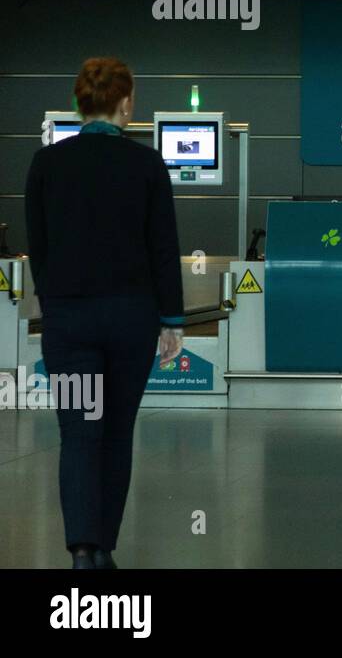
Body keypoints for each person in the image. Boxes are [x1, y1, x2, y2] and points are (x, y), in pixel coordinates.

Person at [25, 57, 184, 569]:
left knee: (79, 433)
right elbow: (163, 248)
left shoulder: (47, 164)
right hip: (130, 321)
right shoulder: (147, 165)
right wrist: (172, 321)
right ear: (126, 104)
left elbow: (39, 247)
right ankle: (105, 549)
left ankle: (81, 549)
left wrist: (56, 306)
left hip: (70, 323)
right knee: (116, 432)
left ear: (79, 103)